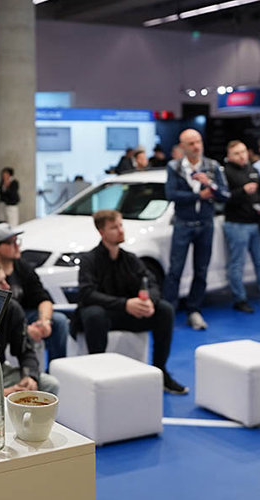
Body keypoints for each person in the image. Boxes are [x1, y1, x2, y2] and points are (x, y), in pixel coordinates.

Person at [77, 210, 188, 395]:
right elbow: (87, 294)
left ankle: (161, 371)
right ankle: (96, 373)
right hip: (104, 315)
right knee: (94, 314)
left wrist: (149, 302)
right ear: (101, 232)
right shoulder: (89, 260)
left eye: (121, 225)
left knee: (165, 310)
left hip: (127, 314)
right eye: (114, 227)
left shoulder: (130, 259)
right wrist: (125, 304)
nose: (120, 231)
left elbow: (151, 283)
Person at [163, 128, 230, 330]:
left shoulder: (212, 166)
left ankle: (194, 310)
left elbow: (225, 195)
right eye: (191, 143)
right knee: (175, 269)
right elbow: (171, 194)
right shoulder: (174, 167)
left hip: (206, 223)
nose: (196, 146)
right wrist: (197, 196)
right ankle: (167, 312)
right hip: (183, 223)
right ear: (183, 146)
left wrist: (209, 184)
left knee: (201, 270)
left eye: (198, 142)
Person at [0, 260, 59, 395]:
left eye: (5, 280)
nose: (7, 286)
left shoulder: (11, 308)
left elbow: (25, 351)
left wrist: (29, 376)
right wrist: (1, 393)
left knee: (49, 385)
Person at [0, 223, 69, 365]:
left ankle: (57, 367)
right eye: (11, 243)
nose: (17, 246)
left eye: (17, 241)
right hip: (0, 320)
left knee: (59, 321)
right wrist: (22, 328)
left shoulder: (23, 267)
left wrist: (44, 321)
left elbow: (43, 298)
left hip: (25, 314)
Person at [221, 140, 260, 313]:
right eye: (237, 153)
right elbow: (223, 197)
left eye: (243, 151)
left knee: (259, 261)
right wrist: (243, 191)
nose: (242, 155)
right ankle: (239, 298)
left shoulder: (252, 169)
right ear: (230, 156)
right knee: (237, 263)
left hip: (254, 222)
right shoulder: (226, 173)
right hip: (237, 224)